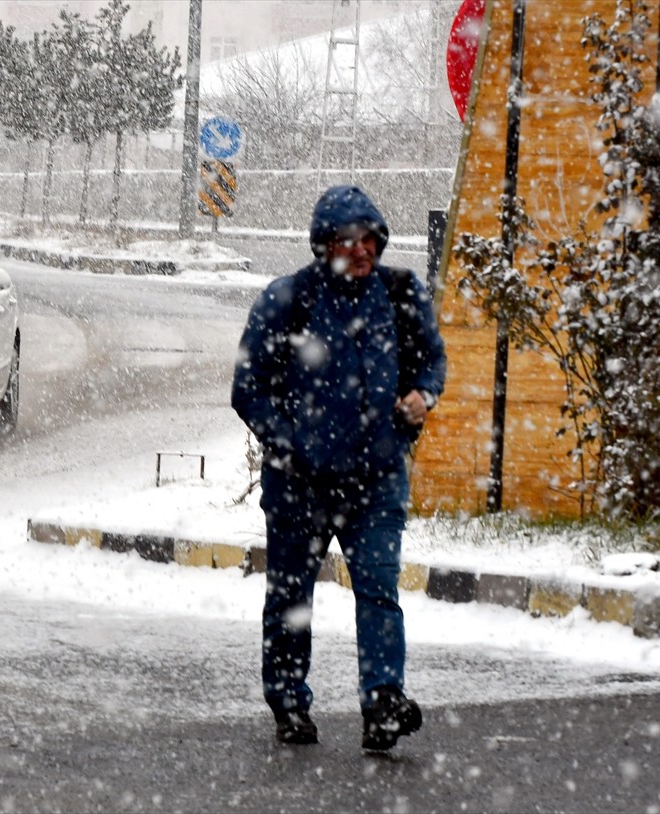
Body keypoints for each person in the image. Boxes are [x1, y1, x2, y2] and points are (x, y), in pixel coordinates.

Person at [230, 185, 447, 751]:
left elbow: (431, 360)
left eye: (370, 239)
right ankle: (289, 704)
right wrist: (291, 444)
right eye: (350, 241)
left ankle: (382, 704)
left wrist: (423, 394)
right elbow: (248, 391)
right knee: (291, 600)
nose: (363, 251)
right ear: (324, 245)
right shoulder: (288, 301)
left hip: (375, 479)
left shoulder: (399, 295)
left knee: (379, 592)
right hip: (300, 485)